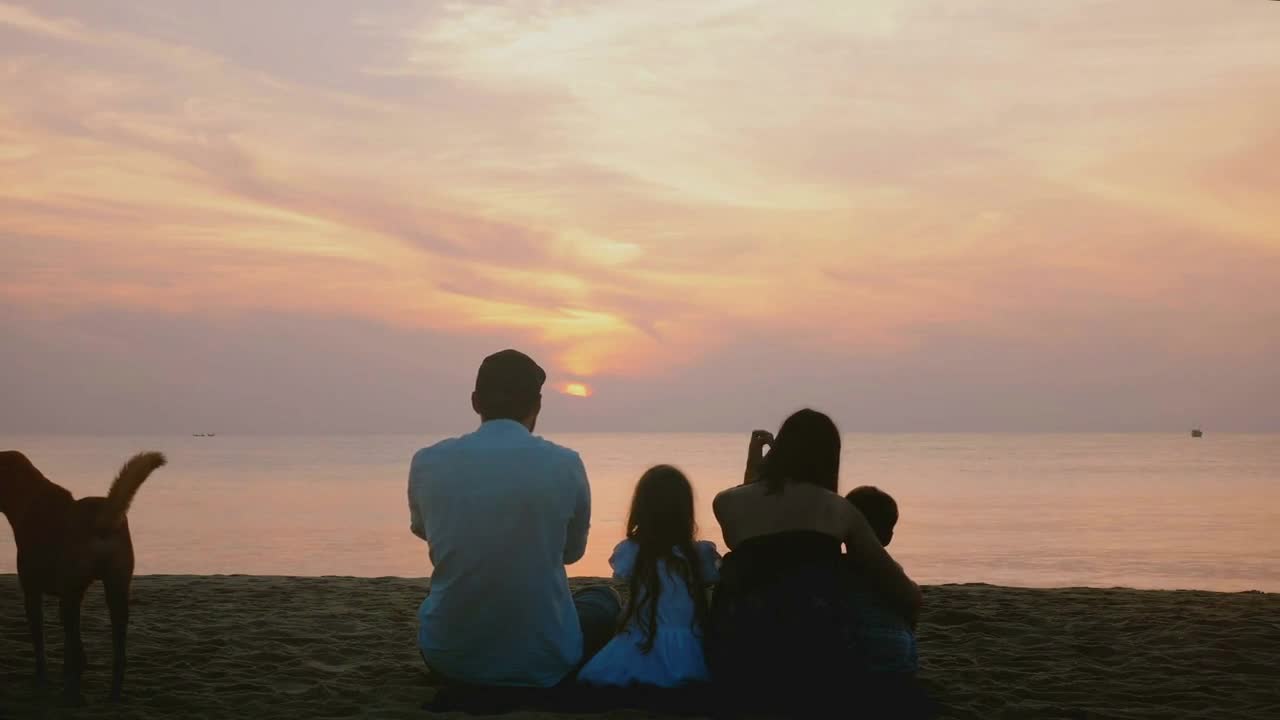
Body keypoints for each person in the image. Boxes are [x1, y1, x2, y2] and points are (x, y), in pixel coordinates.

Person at [407, 349, 620, 688]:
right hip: (545, 662)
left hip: (448, 658)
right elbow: (571, 553)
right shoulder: (565, 464)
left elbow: (425, 531)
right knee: (603, 600)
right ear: (536, 405)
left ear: (476, 401)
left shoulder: (427, 462)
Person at [707, 409, 928, 717]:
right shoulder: (840, 510)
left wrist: (756, 468)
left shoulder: (725, 502)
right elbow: (899, 588)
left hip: (736, 648)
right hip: (811, 653)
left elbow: (749, 530)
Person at [577, 465, 721, 688]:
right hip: (689, 642)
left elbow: (622, 577)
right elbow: (712, 579)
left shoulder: (630, 551)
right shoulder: (700, 554)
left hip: (642, 638)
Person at [846, 486, 919, 675]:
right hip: (895, 652)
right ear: (888, 536)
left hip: (849, 653)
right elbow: (911, 609)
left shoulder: (833, 566)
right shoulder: (893, 572)